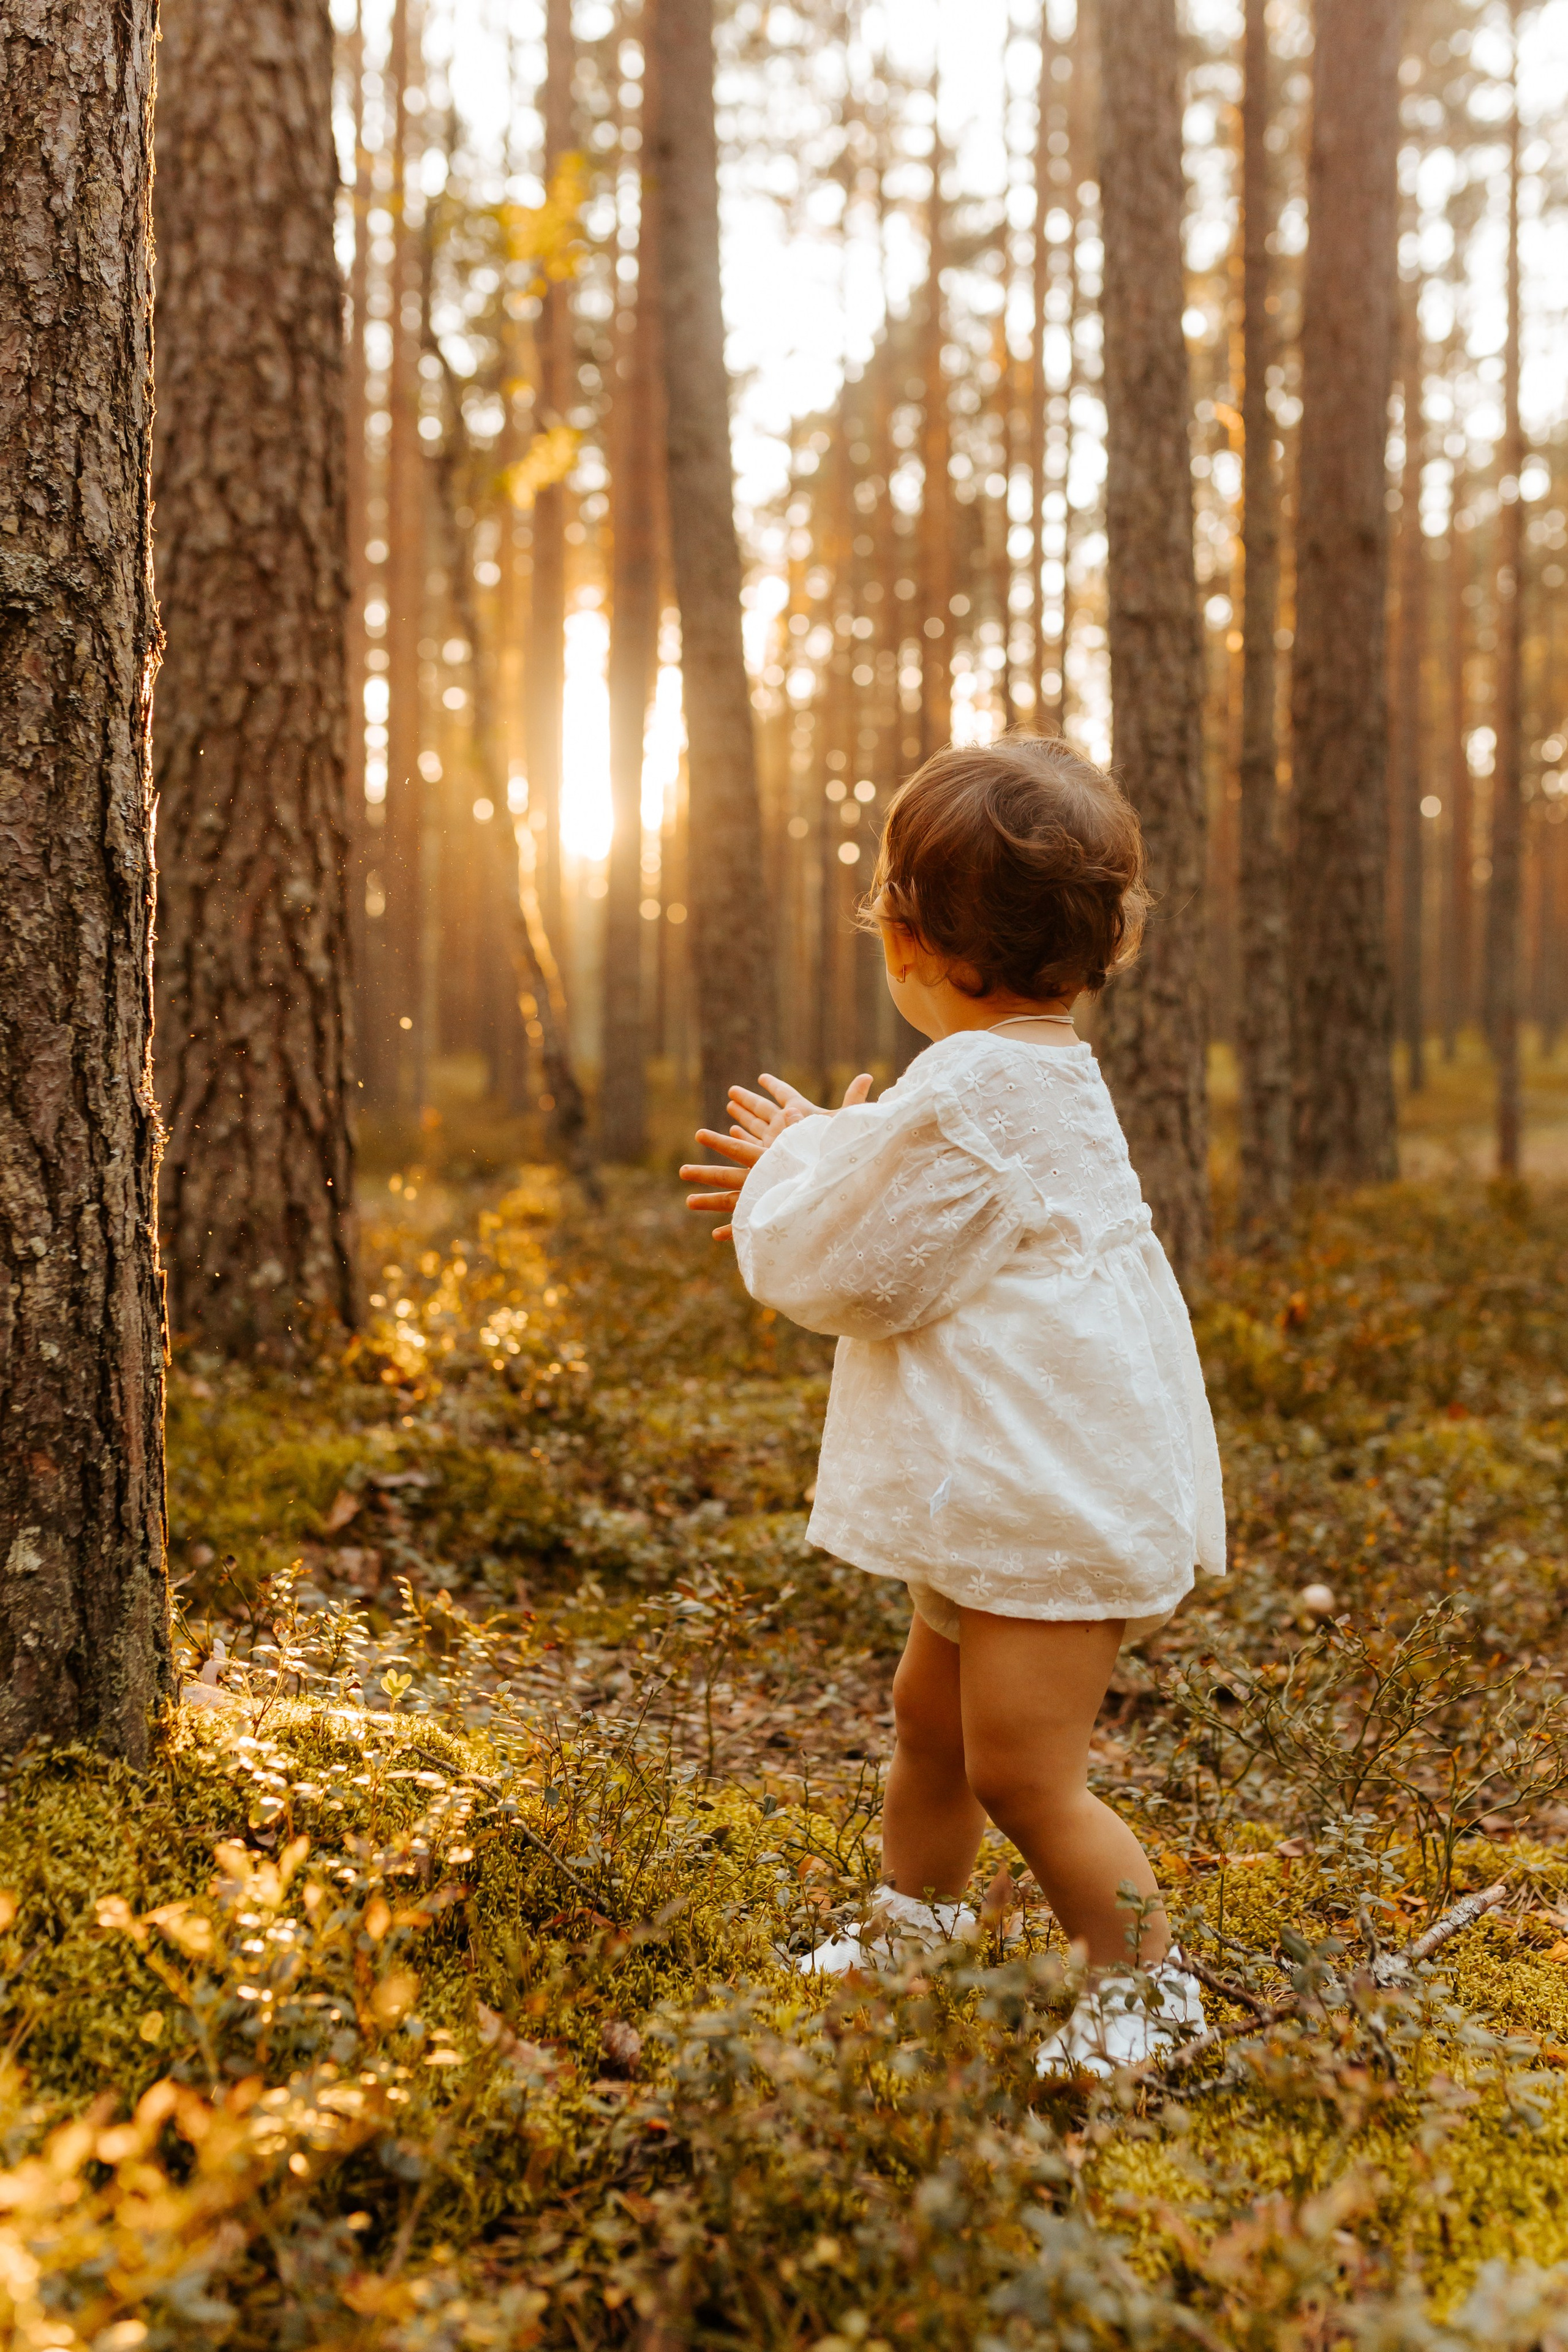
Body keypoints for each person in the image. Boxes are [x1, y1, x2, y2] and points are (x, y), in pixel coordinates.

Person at [679, 736, 1224, 2073]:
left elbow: (856, 1268)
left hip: (1047, 1506)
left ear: (907, 934)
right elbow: (921, 1190)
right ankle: (914, 1931)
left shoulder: (976, 1090)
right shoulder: (1031, 1071)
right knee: (928, 1723)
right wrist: (831, 1147)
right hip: (1009, 1489)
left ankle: (1149, 1992)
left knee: (1022, 1773)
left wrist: (789, 1174)